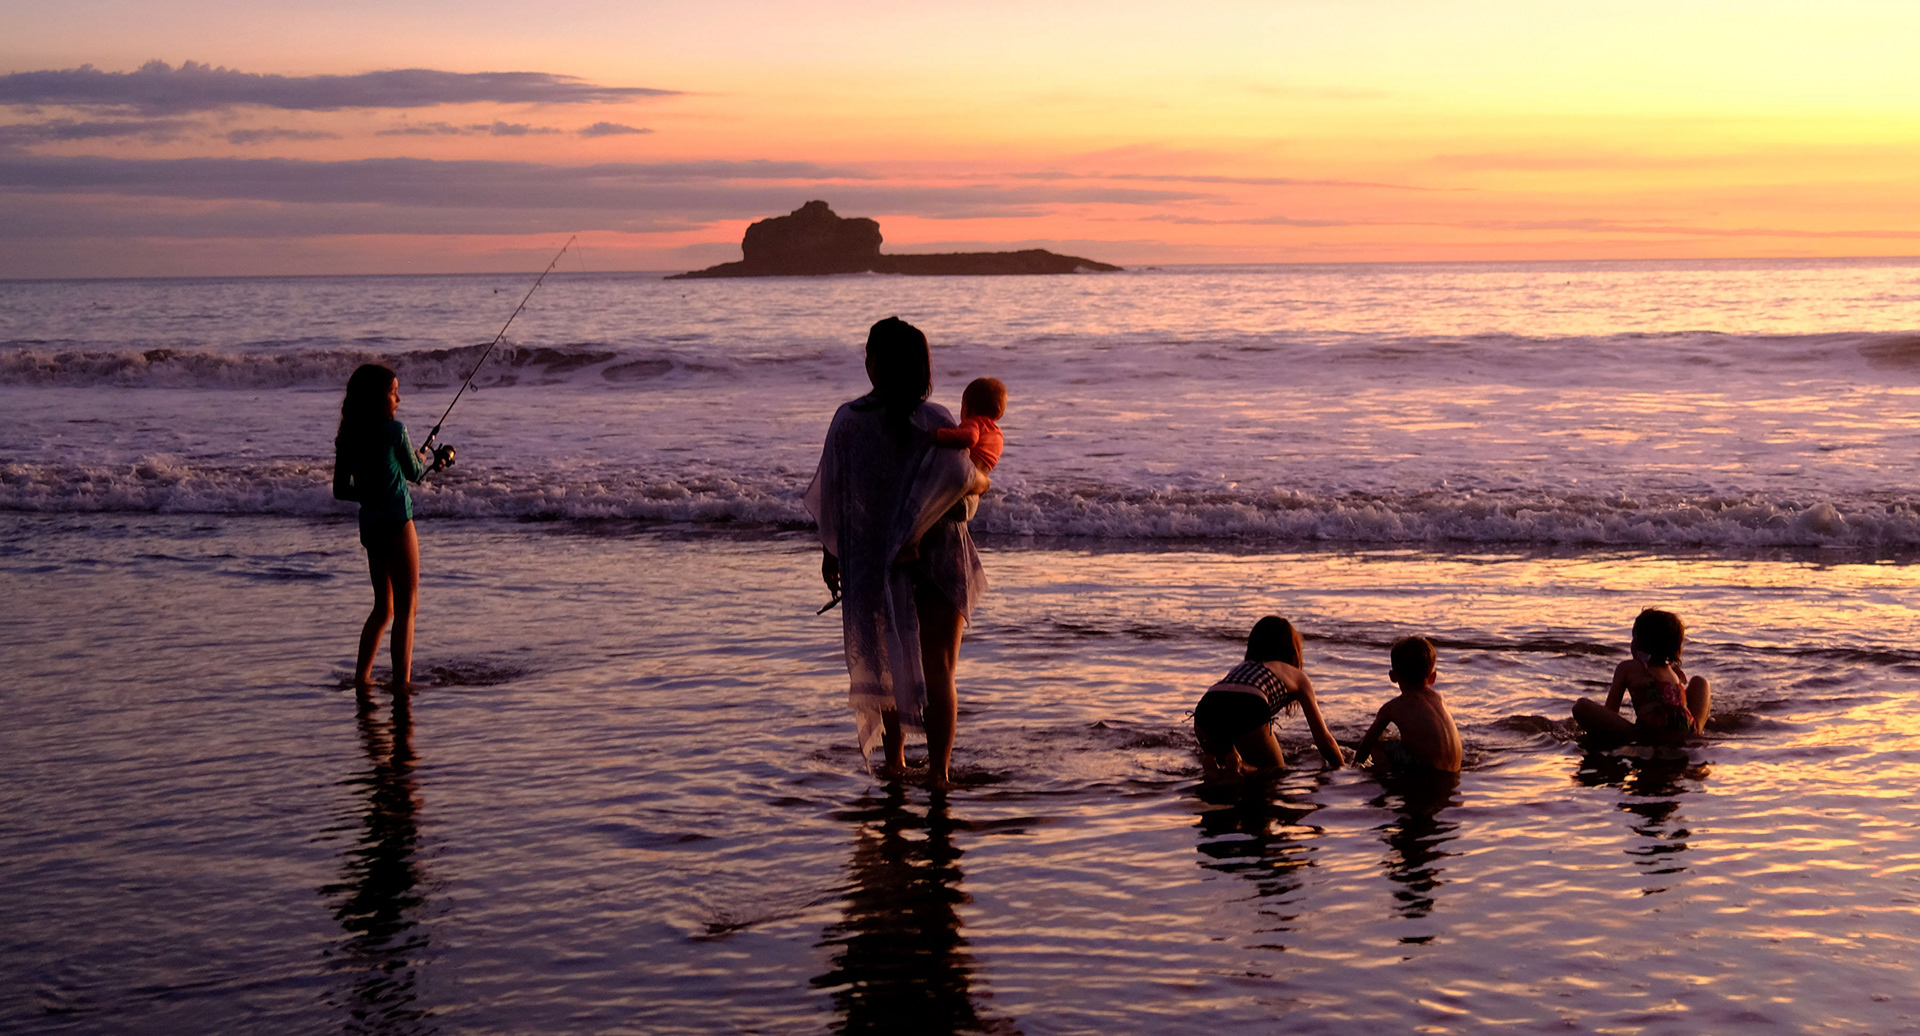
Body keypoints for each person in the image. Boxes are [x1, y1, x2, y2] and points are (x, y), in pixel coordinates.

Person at [804, 318, 991, 788]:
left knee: (888, 662)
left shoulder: (848, 420)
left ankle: (896, 763)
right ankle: (941, 773)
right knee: (940, 668)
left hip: (879, 561)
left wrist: (834, 556)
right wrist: (975, 485)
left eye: (869, 352)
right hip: (939, 554)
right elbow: (962, 481)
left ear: (876, 363)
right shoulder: (934, 419)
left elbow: (837, 496)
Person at [332, 363, 452, 691]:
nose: (398, 398)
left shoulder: (349, 437)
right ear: (378, 397)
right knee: (407, 607)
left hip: (370, 526)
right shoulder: (394, 431)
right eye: (393, 392)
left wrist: (370, 493)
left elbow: (341, 490)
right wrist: (427, 458)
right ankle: (402, 683)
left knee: (382, 608)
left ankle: (362, 677)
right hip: (398, 523)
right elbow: (414, 472)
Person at [1192, 616, 1345, 779]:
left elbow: (1232, 696)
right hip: (1250, 703)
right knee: (1275, 773)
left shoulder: (1242, 668)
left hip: (1207, 708)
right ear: (1291, 649)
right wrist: (1343, 768)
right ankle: (1239, 768)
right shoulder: (1297, 676)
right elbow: (1324, 741)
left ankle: (1218, 766)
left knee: (1227, 769)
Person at [1572, 608, 1712, 746]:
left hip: (1647, 735)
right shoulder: (1673, 672)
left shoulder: (1627, 667)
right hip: (1684, 730)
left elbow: (1611, 711)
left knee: (1581, 706)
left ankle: (1637, 737)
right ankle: (1696, 732)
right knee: (1700, 682)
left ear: (1639, 642)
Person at [1352, 636, 1463, 773]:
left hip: (1427, 770)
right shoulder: (1439, 699)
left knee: (1377, 743)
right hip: (1454, 767)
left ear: (1393, 676)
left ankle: (1387, 775)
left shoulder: (1392, 708)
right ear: (1433, 677)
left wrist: (1354, 767)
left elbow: (1366, 745)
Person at [932, 377, 1007, 475]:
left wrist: (938, 434)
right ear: (999, 412)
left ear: (966, 408)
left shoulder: (974, 422)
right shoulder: (997, 435)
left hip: (963, 473)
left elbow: (971, 437)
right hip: (978, 478)